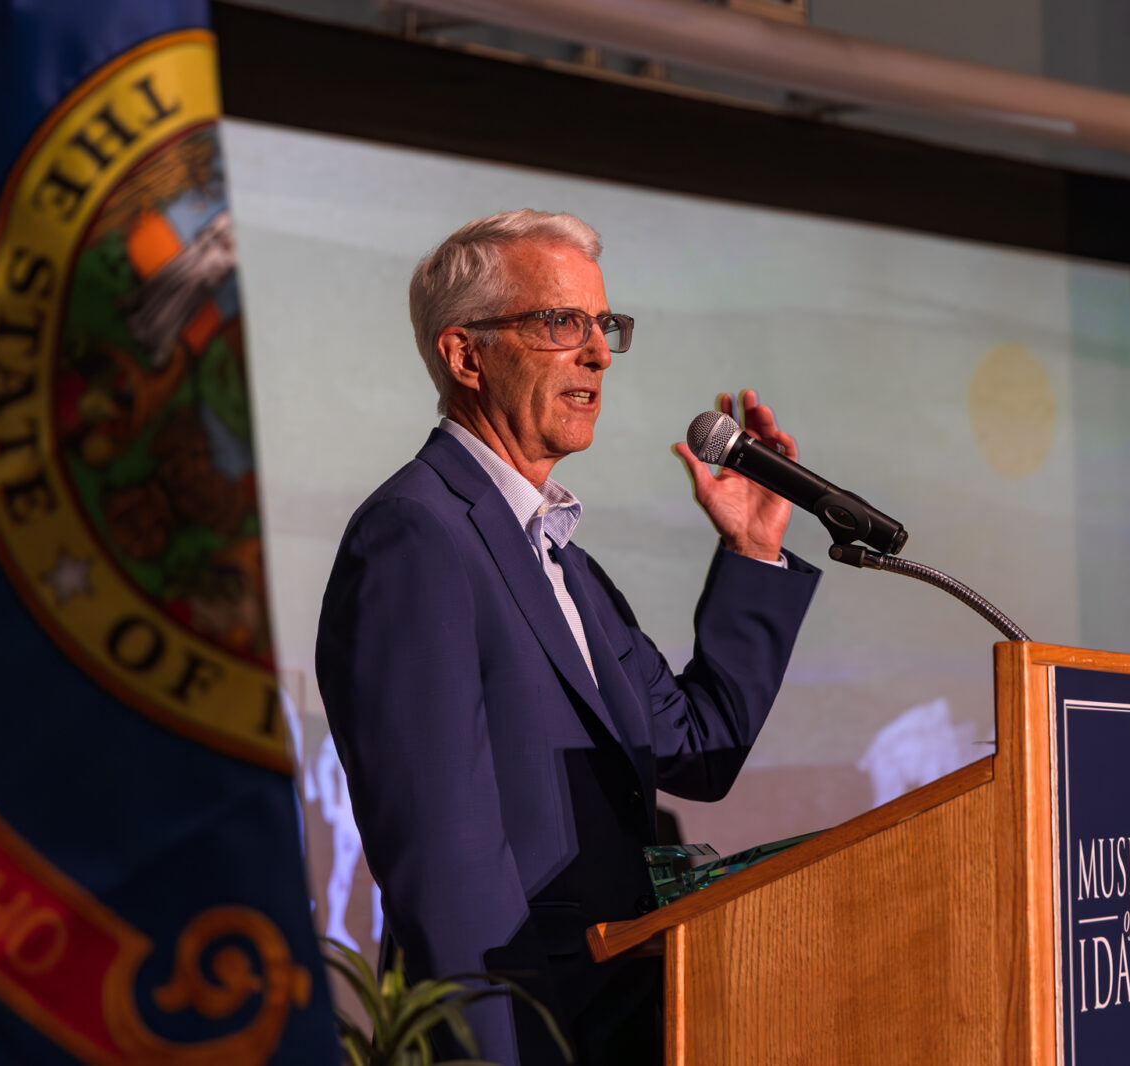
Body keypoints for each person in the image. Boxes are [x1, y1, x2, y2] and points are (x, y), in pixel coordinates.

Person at [315, 210, 819, 1065]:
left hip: (621, 1024)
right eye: (559, 322)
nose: (595, 353)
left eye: (603, 326)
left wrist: (752, 550)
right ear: (465, 355)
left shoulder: (563, 563)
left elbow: (698, 750)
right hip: (524, 1032)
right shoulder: (414, 537)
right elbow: (444, 868)